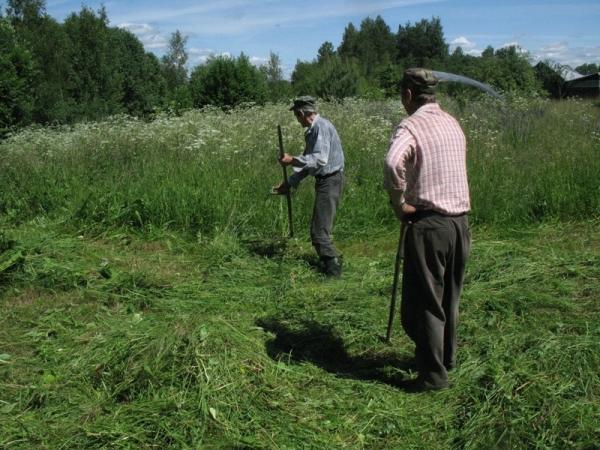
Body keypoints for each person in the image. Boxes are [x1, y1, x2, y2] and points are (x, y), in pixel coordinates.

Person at [384, 68, 471, 391]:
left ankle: (433, 377)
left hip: (430, 225)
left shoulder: (412, 125)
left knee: (425, 303)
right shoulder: (452, 122)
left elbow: (393, 163)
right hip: (460, 222)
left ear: (408, 94)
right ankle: (445, 359)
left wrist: (399, 204)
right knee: (450, 296)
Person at [274, 96, 345, 277]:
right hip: (326, 180)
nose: (297, 120)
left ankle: (333, 271)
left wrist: (292, 160)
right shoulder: (314, 130)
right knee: (321, 228)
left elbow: (319, 159)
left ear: (301, 113)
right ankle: (333, 260)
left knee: (318, 232)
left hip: (330, 181)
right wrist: (289, 183)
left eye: (296, 116)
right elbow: (309, 165)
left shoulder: (320, 128)